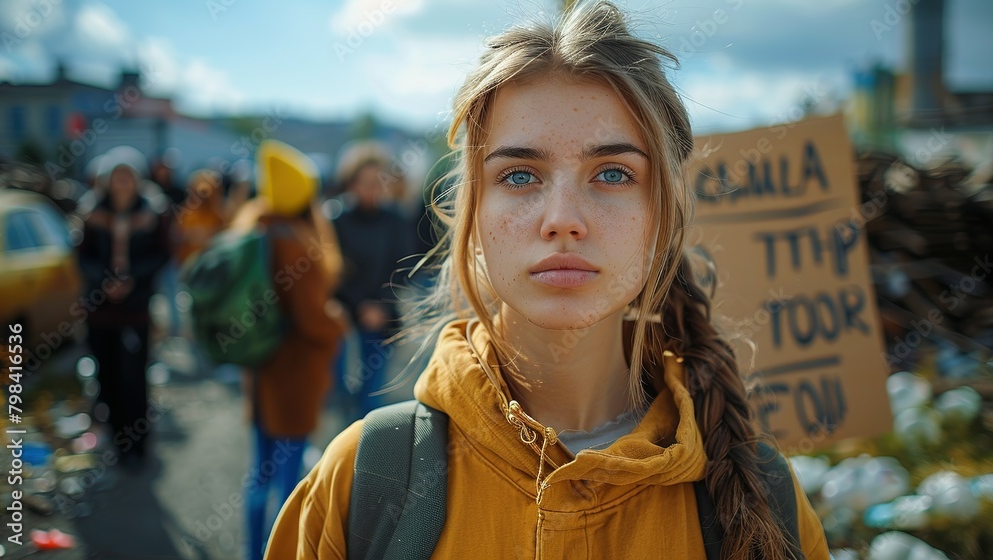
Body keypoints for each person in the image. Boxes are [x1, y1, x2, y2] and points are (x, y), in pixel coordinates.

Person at [265, 2, 828, 559]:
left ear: (663, 215)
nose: (562, 219)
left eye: (613, 173)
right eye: (519, 176)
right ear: (473, 217)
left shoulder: (764, 497)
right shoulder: (360, 483)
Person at [231, 140, 346, 560]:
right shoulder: (295, 242)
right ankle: (279, 552)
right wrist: (339, 323)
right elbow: (312, 318)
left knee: (259, 471)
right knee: (290, 478)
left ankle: (252, 550)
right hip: (294, 374)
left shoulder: (254, 226)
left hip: (260, 368)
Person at [77, 147, 169, 466]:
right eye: (117, 176)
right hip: (100, 312)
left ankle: (137, 446)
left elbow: (162, 254)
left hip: (135, 311)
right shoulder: (92, 212)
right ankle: (118, 443)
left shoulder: (152, 212)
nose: (122, 183)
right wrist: (105, 281)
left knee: (133, 378)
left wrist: (133, 280)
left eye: (128, 176)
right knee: (107, 377)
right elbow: (83, 256)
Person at [331, 143, 414, 418]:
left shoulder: (394, 220)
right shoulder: (336, 219)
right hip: (342, 315)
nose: (372, 189)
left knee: (372, 395)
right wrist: (358, 305)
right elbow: (332, 270)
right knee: (339, 393)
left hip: (381, 318)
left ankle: (365, 440)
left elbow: (403, 269)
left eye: (378, 182)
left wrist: (380, 305)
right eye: (365, 183)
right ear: (351, 182)